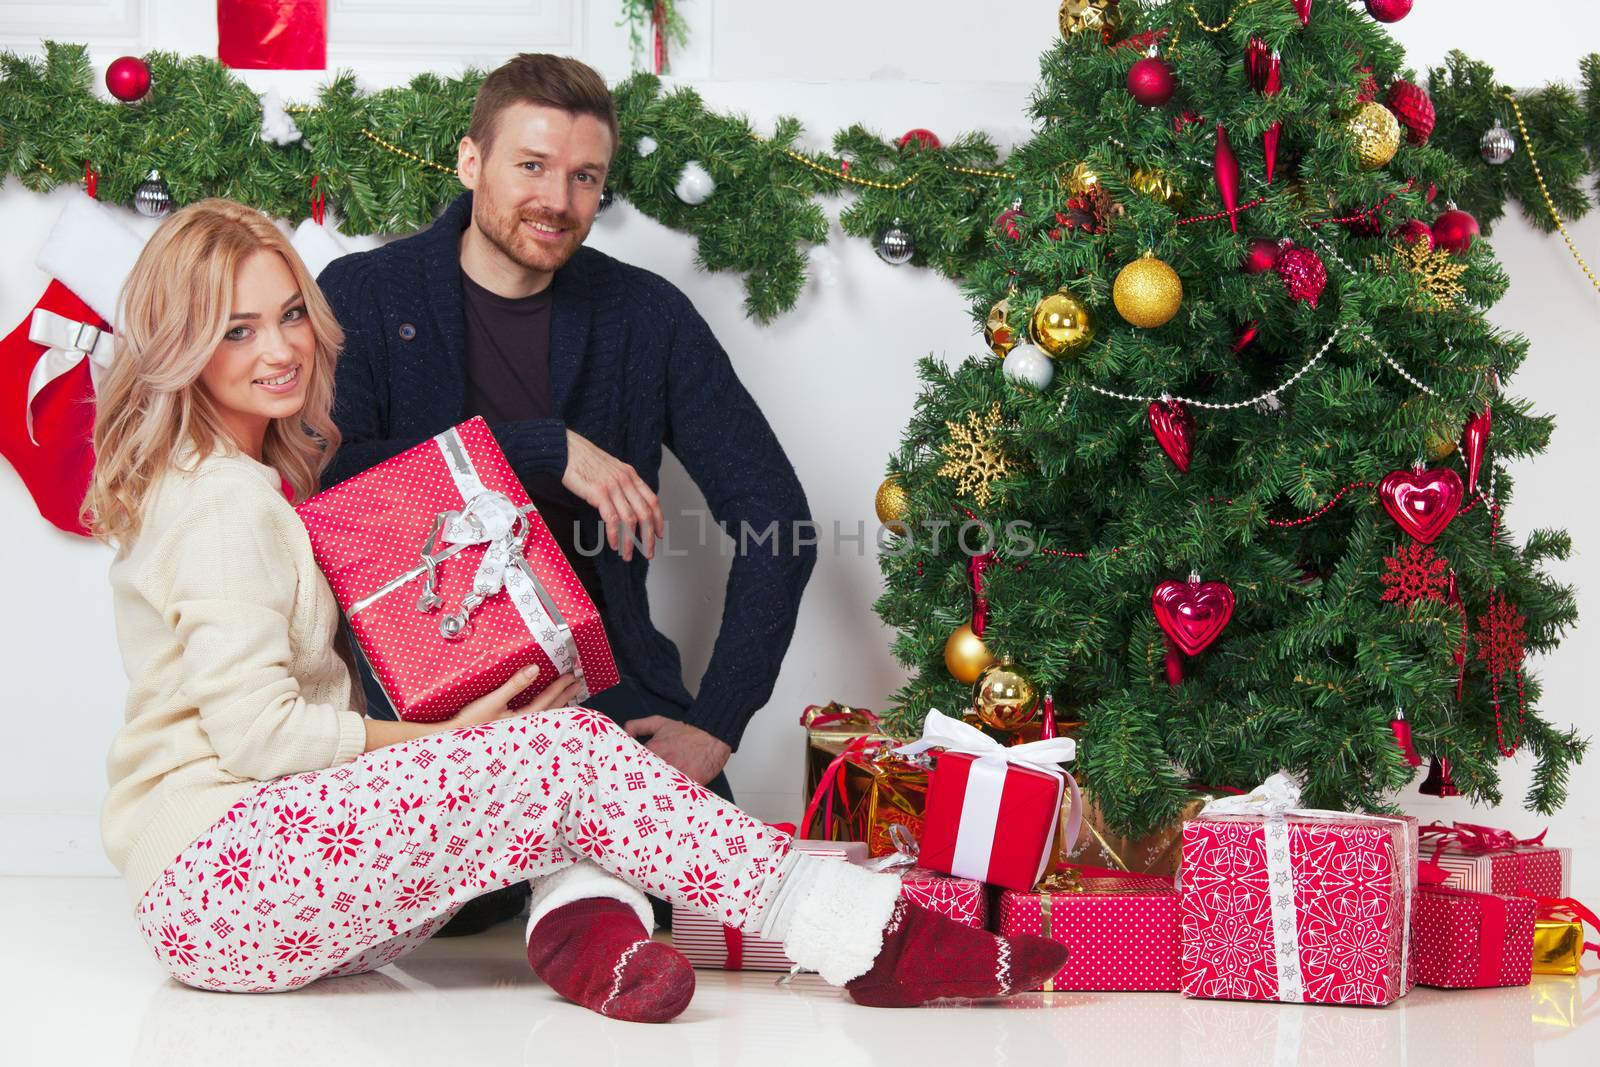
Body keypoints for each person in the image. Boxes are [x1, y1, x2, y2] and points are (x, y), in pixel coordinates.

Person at [87, 199, 1068, 1020]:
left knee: (557, 745)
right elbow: (259, 735)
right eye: (236, 329)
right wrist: (436, 736)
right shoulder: (221, 501)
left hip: (266, 881)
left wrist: (476, 738)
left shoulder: (250, 477)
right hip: (222, 880)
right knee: (566, 752)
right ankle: (867, 933)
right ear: (181, 347)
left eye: (290, 313)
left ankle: (591, 937)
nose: (279, 348)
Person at [317, 51, 814, 937]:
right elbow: (328, 483)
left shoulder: (645, 316)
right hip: (427, 713)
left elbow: (780, 524)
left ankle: (580, 893)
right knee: (447, 916)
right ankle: (555, 880)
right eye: (533, 166)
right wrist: (541, 447)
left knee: (698, 898)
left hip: (609, 695)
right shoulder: (364, 292)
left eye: (585, 177)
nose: (558, 199)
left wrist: (718, 726)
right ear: (472, 164)